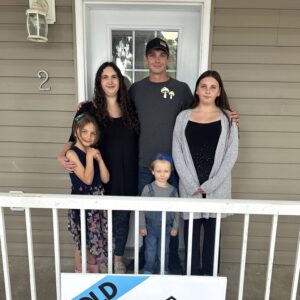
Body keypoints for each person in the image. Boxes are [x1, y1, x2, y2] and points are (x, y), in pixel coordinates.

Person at [58, 62, 139, 274]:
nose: (110, 81)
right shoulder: (88, 108)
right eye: (105, 77)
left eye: (114, 77)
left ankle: (118, 260)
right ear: (99, 82)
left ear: (120, 81)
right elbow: (72, 138)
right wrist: (61, 155)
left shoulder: (131, 107)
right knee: (99, 224)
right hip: (99, 177)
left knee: (122, 219)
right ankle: (99, 264)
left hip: (126, 173)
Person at [129, 37, 195, 274]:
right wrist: (86, 108)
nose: (157, 60)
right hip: (144, 165)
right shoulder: (136, 90)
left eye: (162, 55)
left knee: (172, 215)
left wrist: (226, 113)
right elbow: (116, 113)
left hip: (173, 167)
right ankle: (145, 260)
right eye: (153, 55)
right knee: (146, 214)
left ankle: (172, 260)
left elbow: (201, 113)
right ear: (146, 59)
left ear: (168, 59)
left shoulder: (182, 89)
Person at [172, 70, 239, 275]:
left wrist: (210, 185)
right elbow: (177, 151)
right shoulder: (183, 117)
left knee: (212, 242)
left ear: (219, 92)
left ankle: (210, 284)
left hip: (216, 189)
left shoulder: (227, 118)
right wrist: (192, 184)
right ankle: (191, 283)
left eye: (213, 87)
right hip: (190, 188)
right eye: (203, 86)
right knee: (190, 241)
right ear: (197, 90)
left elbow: (231, 153)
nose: (208, 91)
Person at [66, 113, 110, 273]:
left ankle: (93, 273)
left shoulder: (93, 152)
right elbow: (87, 180)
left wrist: (100, 160)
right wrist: (90, 158)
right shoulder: (72, 153)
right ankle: (80, 272)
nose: (88, 136)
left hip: (97, 203)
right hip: (82, 203)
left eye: (92, 133)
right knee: (82, 242)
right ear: (76, 131)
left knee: (96, 240)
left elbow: (105, 179)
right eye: (84, 131)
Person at [139, 153, 179, 274]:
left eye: (166, 171)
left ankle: (163, 270)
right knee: (150, 251)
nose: (162, 174)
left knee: (164, 251)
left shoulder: (173, 191)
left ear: (170, 172)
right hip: (150, 227)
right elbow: (140, 208)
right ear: (152, 171)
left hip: (166, 228)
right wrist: (142, 226)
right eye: (159, 171)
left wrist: (175, 227)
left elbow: (177, 210)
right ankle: (148, 269)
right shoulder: (148, 188)